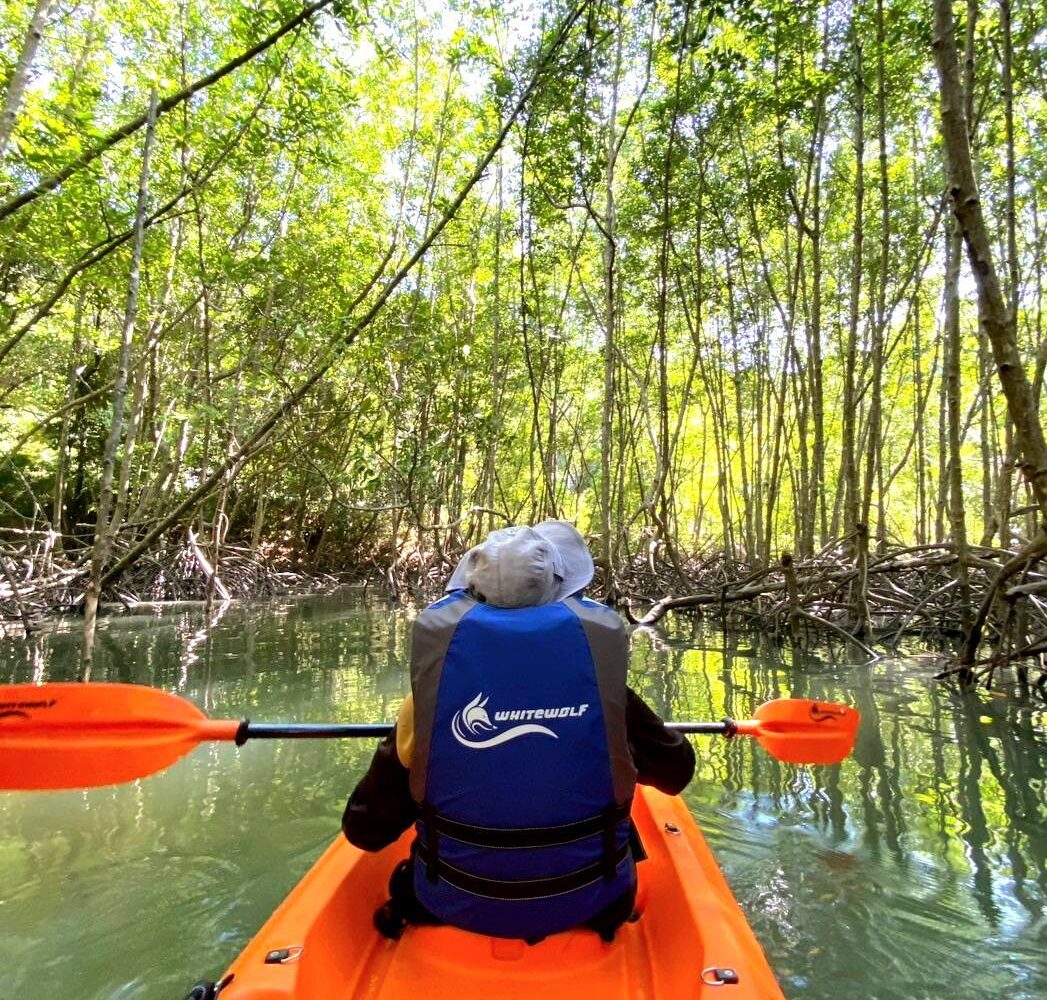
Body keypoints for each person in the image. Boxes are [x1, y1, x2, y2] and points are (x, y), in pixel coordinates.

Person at [343, 521, 695, 942]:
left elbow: (365, 830)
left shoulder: (427, 703)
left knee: (405, 878)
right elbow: (677, 773)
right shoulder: (606, 692)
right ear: (560, 592)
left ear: (473, 594)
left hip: (451, 901)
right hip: (596, 902)